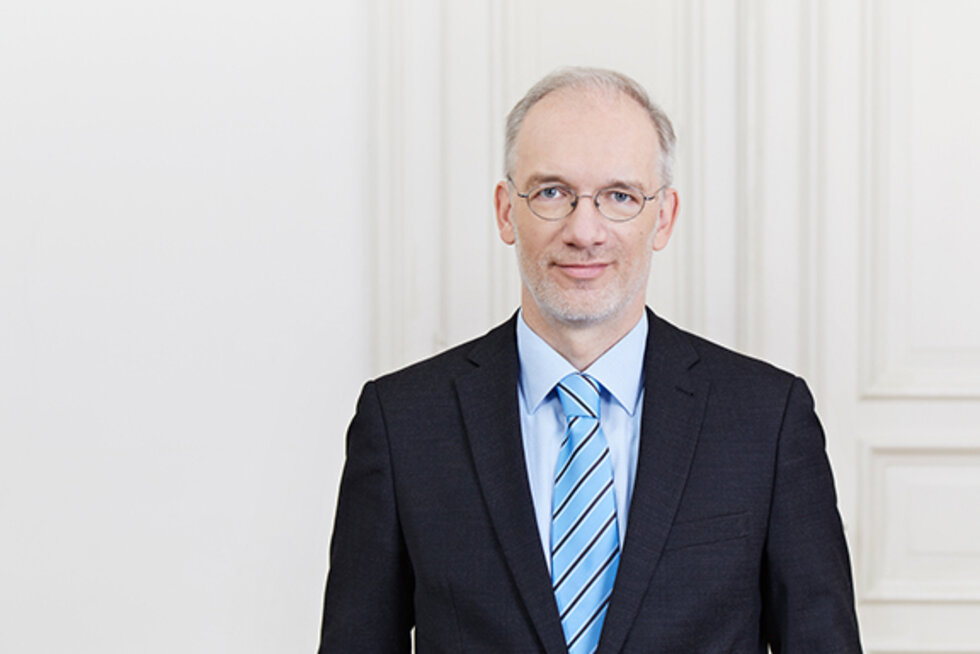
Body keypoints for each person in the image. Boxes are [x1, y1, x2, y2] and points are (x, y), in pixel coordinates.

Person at [318, 67, 862, 653]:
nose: (584, 231)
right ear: (506, 211)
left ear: (664, 216)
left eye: (619, 196)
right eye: (551, 192)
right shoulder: (401, 423)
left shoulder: (767, 420)